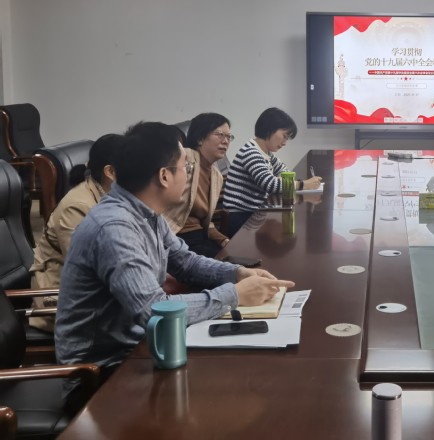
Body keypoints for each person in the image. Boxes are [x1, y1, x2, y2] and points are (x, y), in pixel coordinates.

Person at [56, 122, 294, 387]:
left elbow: (186, 262)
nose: (188, 175)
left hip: (146, 347)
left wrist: (237, 274)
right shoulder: (114, 228)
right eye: (185, 168)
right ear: (164, 176)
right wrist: (235, 295)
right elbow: (153, 311)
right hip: (104, 373)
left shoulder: (146, 212)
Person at [28, 134, 124, 332]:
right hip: (60, 296)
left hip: (96, 291)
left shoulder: (113, 196)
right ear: (110, 172)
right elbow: (86, 269)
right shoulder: (78, 206)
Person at [222, 107, 322, 236]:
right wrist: (304, 184)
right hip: (240, 218)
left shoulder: (266, 153)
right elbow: (270, 184)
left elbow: (286, 174)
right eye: (284, 136)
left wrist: (288, 181)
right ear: (269, 129)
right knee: (287, 229)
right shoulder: (251, 152)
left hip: (253, 214)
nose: (285, 143)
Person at [164, 113, 232, 258]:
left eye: (228, 137)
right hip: (174, 236)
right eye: (220, 135)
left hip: (199, 236)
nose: (226, 141)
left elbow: (206, 222)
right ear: (200, 138)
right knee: (229, 264)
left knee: (236, 258)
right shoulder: (184, 158)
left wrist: (223, 240)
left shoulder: (217, 176)